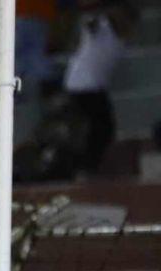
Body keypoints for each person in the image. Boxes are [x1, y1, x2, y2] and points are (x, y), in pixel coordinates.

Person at [60, 0, 136, 174]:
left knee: (101, 127)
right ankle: (86, 167)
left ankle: (86, 165)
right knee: (103, 127)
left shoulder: (121, 36)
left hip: (92, 85)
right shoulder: (102, 27)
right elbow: (90, 24)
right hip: (83, 84)